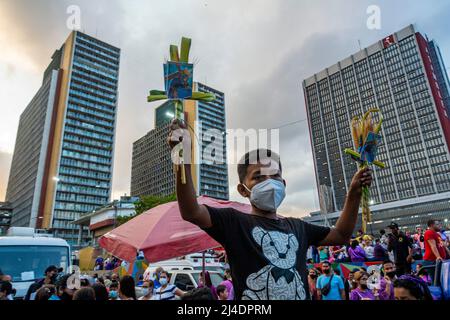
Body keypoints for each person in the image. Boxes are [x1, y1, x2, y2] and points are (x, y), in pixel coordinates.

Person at [167, 129, 373, 301]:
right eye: (258, 177)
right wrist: (182, 157)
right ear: (242, 189)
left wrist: (354, 193)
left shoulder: (298, 227)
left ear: (283, 183)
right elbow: (191, 211)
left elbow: (341, 235)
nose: (269, 182)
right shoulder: (235, 222)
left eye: (275, 176)